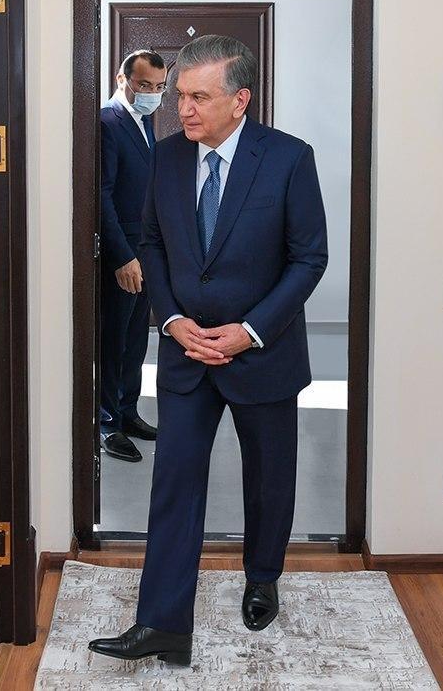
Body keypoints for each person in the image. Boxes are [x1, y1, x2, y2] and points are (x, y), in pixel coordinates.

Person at [88, 35, 327, 666]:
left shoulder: (289, 158)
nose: (183, 109)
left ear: (240, 99)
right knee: (173, 482)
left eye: (199, 97)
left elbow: (309, 258)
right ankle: (162, 621)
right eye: (180, 97)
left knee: (268, 478)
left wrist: (251, 330)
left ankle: (262, 577)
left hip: (262, 352)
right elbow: (152, 242)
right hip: (185, 354)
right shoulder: (167, 157)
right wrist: (169, 319)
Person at [98, 49, 168, 463]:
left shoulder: (143, 123)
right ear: (122, 79)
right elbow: (102, 195)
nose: (152, 94)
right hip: (121, 256)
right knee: (113, 340)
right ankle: (107, 422)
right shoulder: (108, 122)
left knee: (136, 339)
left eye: (159, 87)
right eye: (144, 85)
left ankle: (127, 411)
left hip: (145, 252)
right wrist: (122, 257)